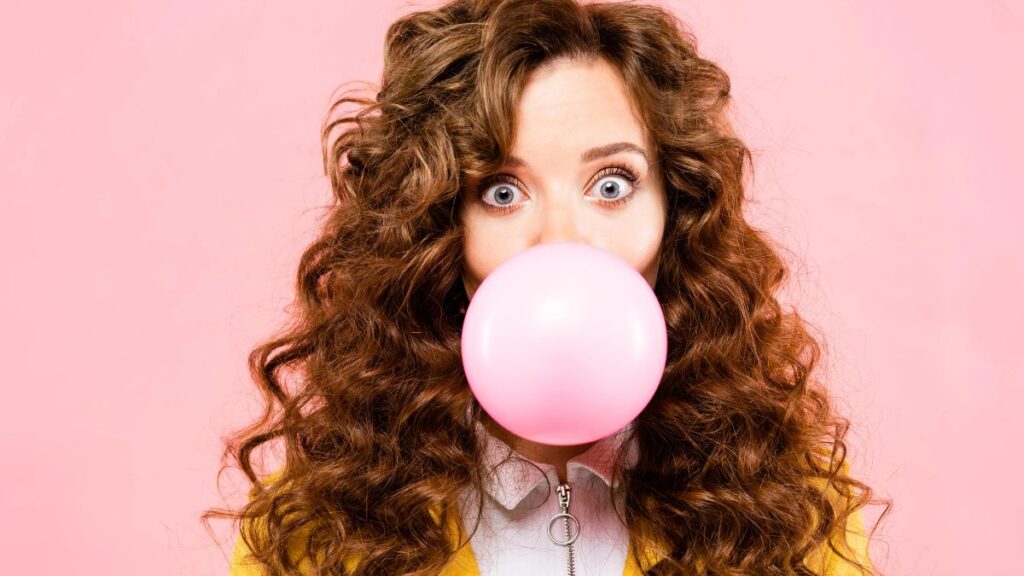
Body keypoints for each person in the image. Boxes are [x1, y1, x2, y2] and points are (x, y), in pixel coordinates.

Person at [204, 0, 891, 574]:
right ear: (438, 229)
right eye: (502, 192)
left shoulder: (794, 514)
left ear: (675, 213)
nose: (562, 237)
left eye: (612, 185)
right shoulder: (309, 530)